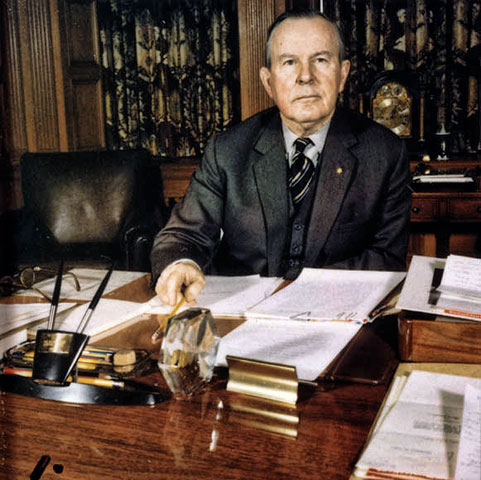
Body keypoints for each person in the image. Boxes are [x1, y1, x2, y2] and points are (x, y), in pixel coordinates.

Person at [151, 9, 412, 306]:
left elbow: (386, 258)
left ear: (342, 75)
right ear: (268, 82)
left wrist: (301, 294)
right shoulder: (227, 150)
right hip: (240, 316)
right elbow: (182, 236)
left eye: (321, 60)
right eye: (289, 62)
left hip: (334, 314)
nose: (305, 77)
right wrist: (180, 264)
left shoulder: (384, 153)